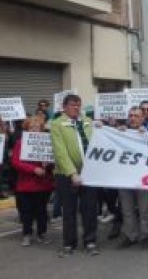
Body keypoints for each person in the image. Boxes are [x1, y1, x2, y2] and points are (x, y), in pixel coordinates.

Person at [50, 94, 99, 257]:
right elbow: (60, 152)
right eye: (72, 105)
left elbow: (99, 139)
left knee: (90, 209)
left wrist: (111, 128)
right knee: (69, 210)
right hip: (66, 174)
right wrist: (72, 173)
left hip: (89, 172)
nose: (76, 108)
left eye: (78, 105)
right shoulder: (57, 124)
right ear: (64, 107)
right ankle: (69, 243)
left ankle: (90, 241)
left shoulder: (87, 121)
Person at [11, 116, 54, 246]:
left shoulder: (48, 142)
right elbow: (15, 162)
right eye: (32, 127)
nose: (35, 130)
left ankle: (42, 233)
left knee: (41, 211)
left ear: (42, 129)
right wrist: (33, 169)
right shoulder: (20, 142)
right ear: (27, 128)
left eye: (38, 127)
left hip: (43, 185)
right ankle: (27, 234)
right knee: (26, 211)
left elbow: (54, 160)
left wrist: (49, 164)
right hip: (25, 184)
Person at [117, 106, 148, 249]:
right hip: (125, 177)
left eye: (136, 116)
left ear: (143, 118)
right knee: (127, 209)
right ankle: (131, 235)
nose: (133, 118)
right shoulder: (121, 131)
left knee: (145, 209)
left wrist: (147, 135)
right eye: (131, 116)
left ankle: (145, 235)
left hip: (144, 177)